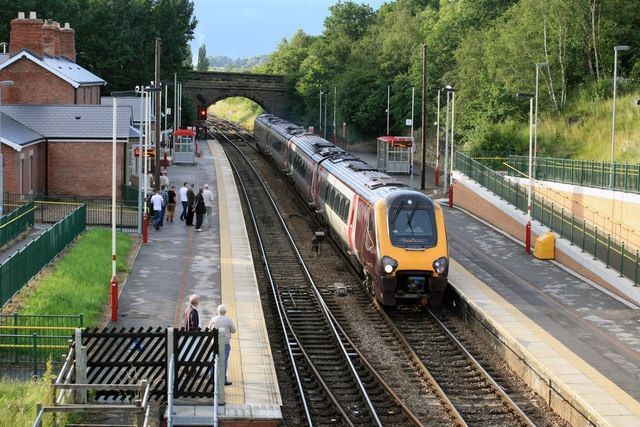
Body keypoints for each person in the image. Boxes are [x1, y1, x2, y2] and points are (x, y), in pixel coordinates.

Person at [207, 304, 236, 385]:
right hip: (225, 344)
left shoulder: (213, 319)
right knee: (224, 361)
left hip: (215, 343)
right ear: (225, 311)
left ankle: (211, 378)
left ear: (218, 311)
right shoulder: (228, 320)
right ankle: (223, 380)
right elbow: (233, 330)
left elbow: (209, 329)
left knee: (213, 359)